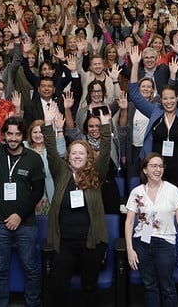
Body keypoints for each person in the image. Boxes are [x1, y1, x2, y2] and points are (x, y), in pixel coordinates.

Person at [0, 92, 45, 307]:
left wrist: (19, 215)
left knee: (31, 268)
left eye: (17, 135)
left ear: (23, 136)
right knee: (0, 269)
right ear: (3, 135)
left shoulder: (33, 158)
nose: (13, 138)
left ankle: (33, 303)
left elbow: (38, 190)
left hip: (26, 223)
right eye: (9, 134)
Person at [43, 103, 111, 306]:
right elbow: (50, 150)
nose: (78, 156)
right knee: (59, 288)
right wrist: (48, 124)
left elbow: (106, 153)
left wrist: (106, 126)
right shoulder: (61, 173)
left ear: (88, 156)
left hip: (91, 244)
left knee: (89, 287)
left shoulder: (95, 175)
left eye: (82, 153)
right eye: (74, 153)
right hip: (64, 243)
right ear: (69, 157)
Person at [128, 43, 178, 200]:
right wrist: (136, 65)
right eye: (165, 98)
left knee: (177, 206)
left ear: (177, 99)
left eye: (172, 98)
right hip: (156, 169)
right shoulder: (155, 111)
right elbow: (135, 94)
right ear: (160, 100)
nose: (169, 102)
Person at [125, 152, 178, 307]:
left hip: (165, 244)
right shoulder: (137, 192)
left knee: (167, 287)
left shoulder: (172, 190)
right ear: (145, 170)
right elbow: (129, 222)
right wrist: (130, 249)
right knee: (149, 286)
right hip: (142, 244)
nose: (158, 169)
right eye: (153, 166)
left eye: (160, 166)